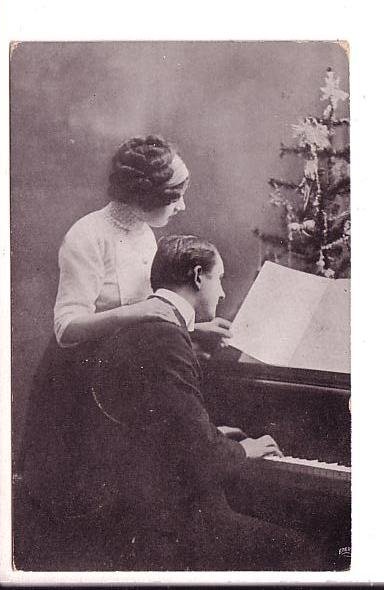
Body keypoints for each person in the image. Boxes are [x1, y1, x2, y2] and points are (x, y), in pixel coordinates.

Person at [16, 235, 326, 571]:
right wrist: (245, 449)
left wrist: (214, 432)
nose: (221, 292)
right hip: (164, 520)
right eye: (217, 278)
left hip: (135, 503)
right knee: (300, 548)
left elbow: (160, 425)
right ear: (197, 276)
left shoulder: (140, 325)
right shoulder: (166, 337)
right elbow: (196, 454)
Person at [53, 134, 231, 347]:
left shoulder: (145, 233)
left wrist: (194, 330)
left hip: (127, 357)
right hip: (87, 366)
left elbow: (146, 318)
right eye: (175, 198)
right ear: (148, 198)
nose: (181, 206)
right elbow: (66, 329)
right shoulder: (88, 235)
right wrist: (138, 311)